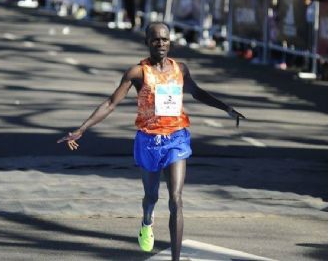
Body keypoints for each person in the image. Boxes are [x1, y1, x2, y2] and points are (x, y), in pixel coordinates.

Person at [57, 22, 245, 260]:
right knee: (151, 196)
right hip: (148, 141)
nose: (161, 43)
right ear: (147, 42)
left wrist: (227, 108)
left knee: (176, 199)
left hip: (177, 138)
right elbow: (110, 103)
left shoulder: (181, 69)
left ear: (170, 41)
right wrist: (82, 129)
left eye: (165, 39)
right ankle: (147, 221)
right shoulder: (137, 72)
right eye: (156, 40)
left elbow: (197, 92)